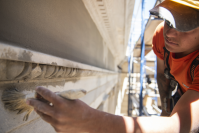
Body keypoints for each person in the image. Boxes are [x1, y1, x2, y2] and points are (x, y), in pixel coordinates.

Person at [26, 0, 199, 132]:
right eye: (169, 21)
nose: (169, 33)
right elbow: (163, 77)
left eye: (183, 27)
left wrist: (88, 120)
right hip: (181, 92)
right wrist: (165, 110)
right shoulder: (161, 36)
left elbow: (178, 126)